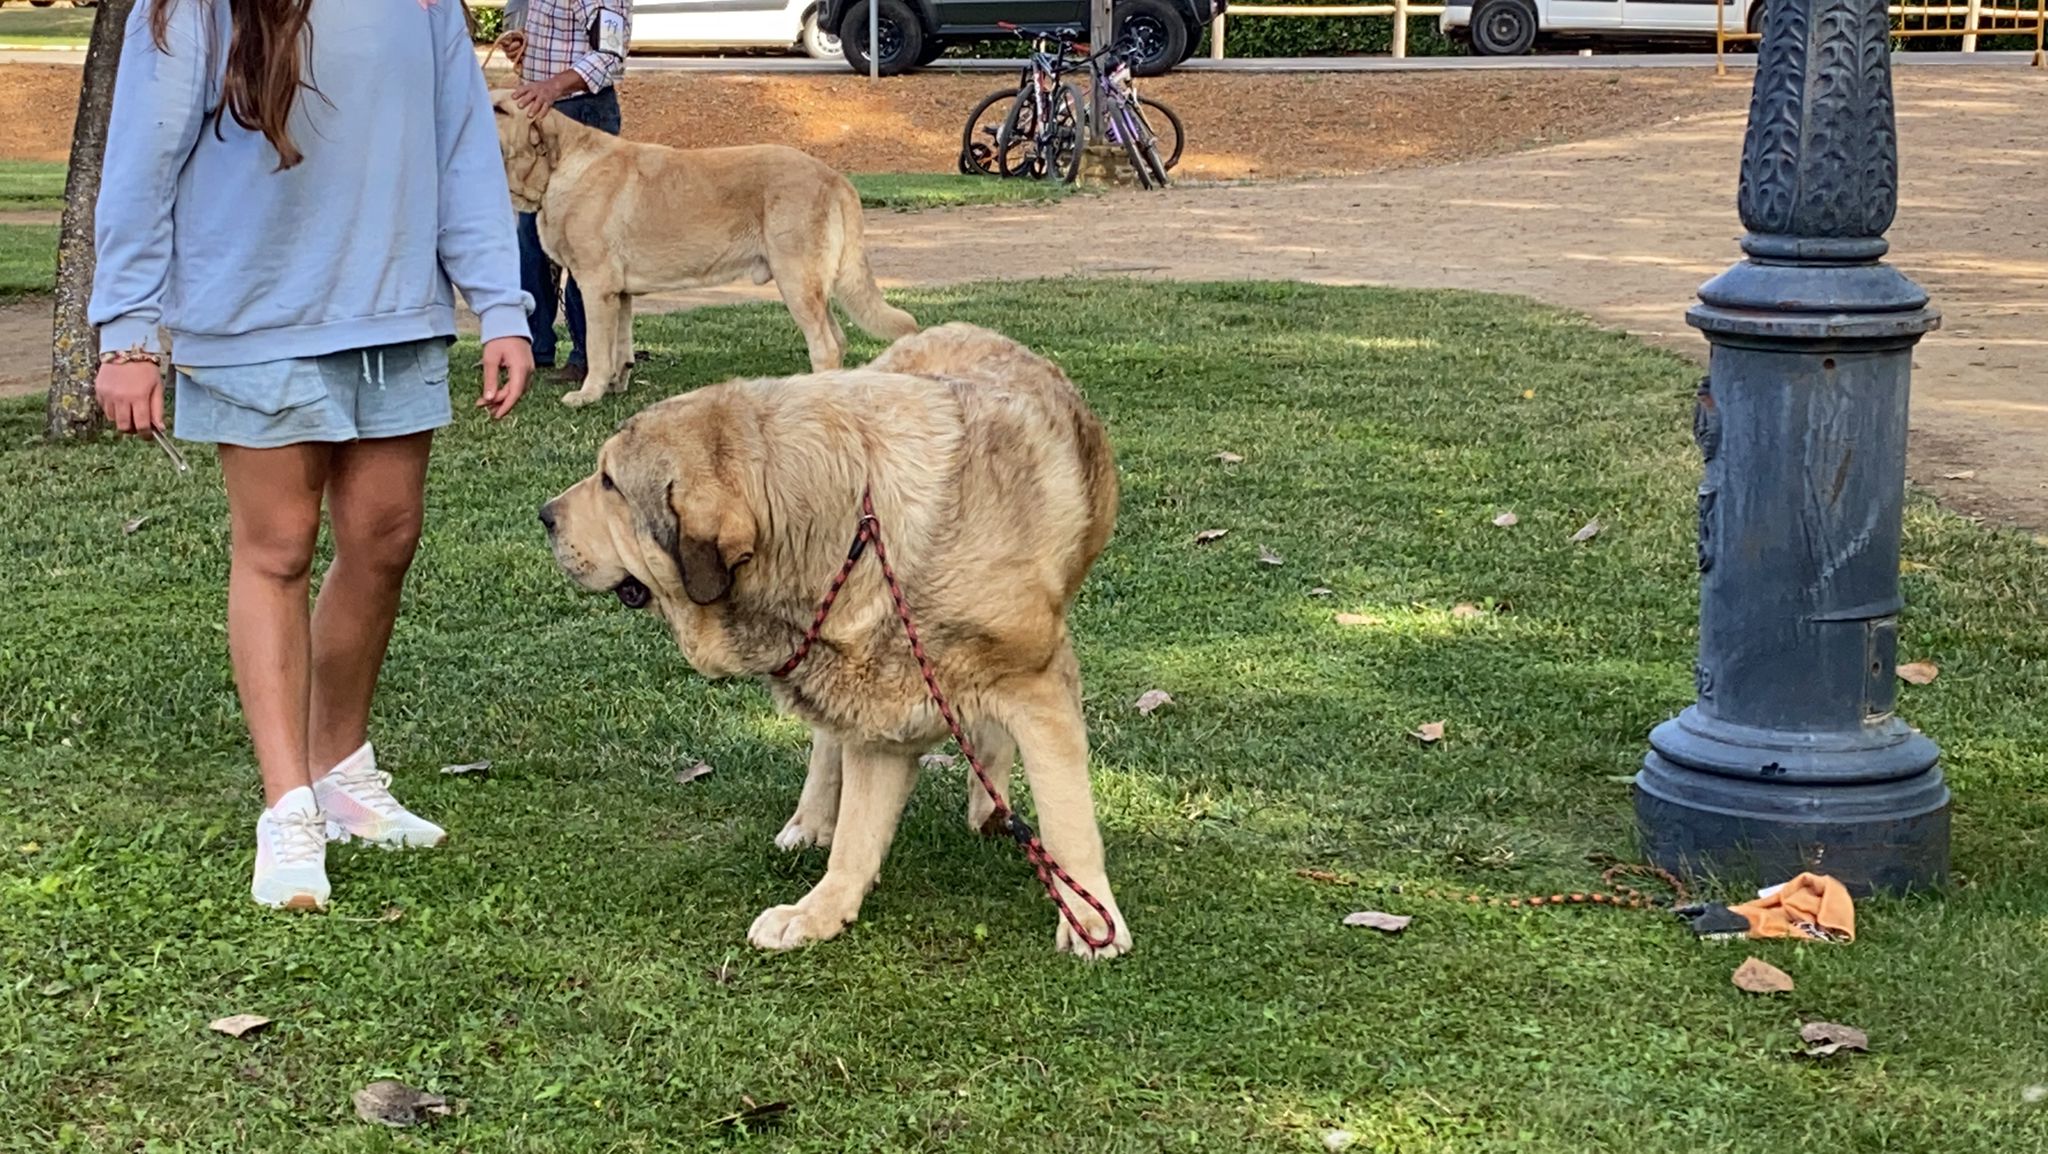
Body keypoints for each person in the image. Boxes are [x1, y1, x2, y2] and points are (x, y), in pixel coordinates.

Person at [89, 0, 535, 911]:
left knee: (384, 540)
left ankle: (341, 771)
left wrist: (500, 302)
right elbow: (143, 154)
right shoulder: (188, 10)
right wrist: (127, 332)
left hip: (395, 311)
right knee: (279, 549)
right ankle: (287, 806)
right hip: (253, 316)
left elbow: (462, 147)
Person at [499, 0, 631, 383]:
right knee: (532, 233)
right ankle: (532, 345)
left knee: (586, 243)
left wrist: (552, 85)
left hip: (582, 114)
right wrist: (526, 48)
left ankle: (587, 356)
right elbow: (567, 39)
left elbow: (610, 53)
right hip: (543, 114)